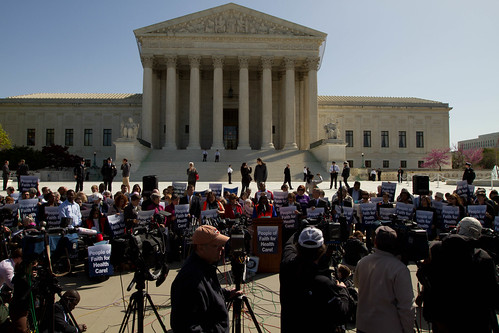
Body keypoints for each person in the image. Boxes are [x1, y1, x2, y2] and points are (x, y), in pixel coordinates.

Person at [417, 217, 499, 333]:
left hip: (442, 317)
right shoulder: (483, 257)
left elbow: (422, 275)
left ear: (458, 228)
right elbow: (492, 293)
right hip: (474, 320)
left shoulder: (436, 249)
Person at [280, 227, 350, 332]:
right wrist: (343, 291)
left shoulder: (287, 265)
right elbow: (341, 314)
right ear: (322, 249)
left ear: (298, 246)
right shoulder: (323, 283)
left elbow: (288, 246)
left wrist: (299, 229)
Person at [171, 225, 237, 332]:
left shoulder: (207, 265)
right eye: (216, 245)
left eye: (222, 244)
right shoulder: (190, 280)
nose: (222, 248)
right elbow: (186, 326)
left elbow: (208, 295)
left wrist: (225, 294)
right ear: (200, 247)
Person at [354, 226, 415, 333]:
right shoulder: (399, 269)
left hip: (364, 325)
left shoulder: (362, 262)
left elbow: (357, 284)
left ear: (375, 242)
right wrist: (408, 330)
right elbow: (407, 307)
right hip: (388, 327)